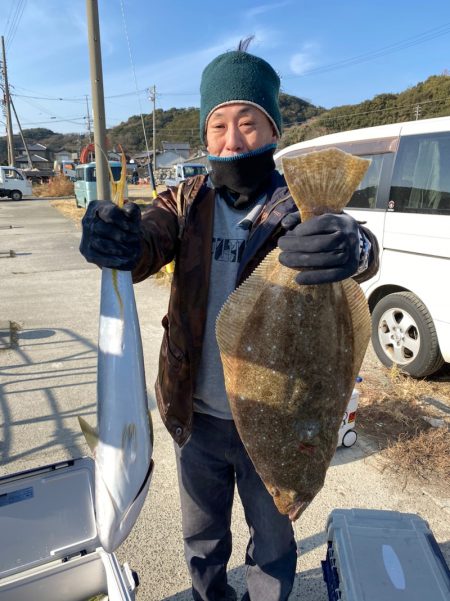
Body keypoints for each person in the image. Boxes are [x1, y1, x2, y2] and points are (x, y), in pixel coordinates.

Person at [80, 42, 379, 601]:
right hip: (194, 416)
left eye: (248, 122)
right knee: (201, 537)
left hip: (282, 420)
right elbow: (147, 240)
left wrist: (356, 246)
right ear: (204, 134)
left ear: (273, 130)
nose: (232, 139)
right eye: (218, 125)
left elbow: (359, 249)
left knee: (272, 542)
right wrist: (113, 238)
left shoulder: (301, 207)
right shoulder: (185, 202)